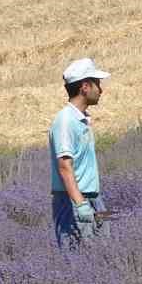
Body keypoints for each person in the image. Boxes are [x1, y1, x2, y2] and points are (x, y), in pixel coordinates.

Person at [49, 58, 110, 249]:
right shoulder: (66, 121)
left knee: (103, 255)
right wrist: (81, 204)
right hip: (73, 202)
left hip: (91, 198)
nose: (101, 90)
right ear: (85, 87)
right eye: (97, 84)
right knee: (76, 258)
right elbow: (65, 167)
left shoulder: (81, 120)